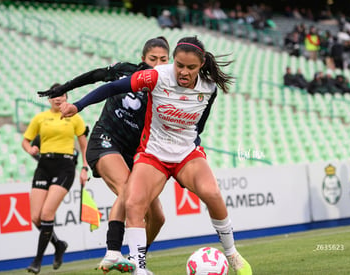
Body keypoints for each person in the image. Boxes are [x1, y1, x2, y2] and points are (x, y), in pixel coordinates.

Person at [59, 36, 252, 275]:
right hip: (153, 154)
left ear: (201, 65)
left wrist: (187, 143)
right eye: (179, 64)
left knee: (212, 193)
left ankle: (232, 255)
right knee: (133, 202)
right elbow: (111, 87)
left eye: (190, 67)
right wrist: (77, 105)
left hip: (185, 153)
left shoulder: (209, 87)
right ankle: (138, 268)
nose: (183, 71)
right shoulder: (156, 75)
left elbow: (198, 126)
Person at [38, 37, 170, 274]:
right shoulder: (126, 71)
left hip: (135, 153)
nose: (157, 64)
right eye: (153, 59)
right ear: (143, 59)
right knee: (127, 187)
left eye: (163, 60)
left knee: (158, 217)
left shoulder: (167, 87)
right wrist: (64, 90)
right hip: (105, 140)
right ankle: (112, 251)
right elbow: (95, 77)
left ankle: (135, 256)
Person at [22, 84, 89, 274]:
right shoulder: (40, 118)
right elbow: (25, 141)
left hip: (65, 167)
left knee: (46, 214)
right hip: (44, 166)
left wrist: (84, 168)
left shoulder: (74, 116)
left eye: (61, 95)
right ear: (49, 99)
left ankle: (37, 261)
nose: (58, 98)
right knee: (36, 218)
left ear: (66, 97)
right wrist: (30, 150)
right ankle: (59, 245)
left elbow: (84, 146)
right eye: (54, 96)